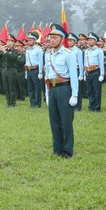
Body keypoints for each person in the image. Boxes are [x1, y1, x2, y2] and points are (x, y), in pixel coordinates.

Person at [43, 23, 78, 158]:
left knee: (66, 121)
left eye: (55, 37)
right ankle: (57, 148)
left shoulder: (68, 54)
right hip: (52, 89)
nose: (52, 40)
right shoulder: (48, 55)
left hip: (64, 89)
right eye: (50, 37)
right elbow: (47, 76)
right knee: (54, 120)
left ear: (61, 38)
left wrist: (74, 94)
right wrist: (47, 93)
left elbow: (74, 76)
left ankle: (67, 149)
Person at [84, 33, 105, 112]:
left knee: (96, 91)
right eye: (88, 40)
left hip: (96, 71)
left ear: (95, 41)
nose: (89, 41)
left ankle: (97, 107)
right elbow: (85, 63)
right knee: (89, 91)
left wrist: (102, 74)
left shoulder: (99, 51)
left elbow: (101, 63)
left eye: (91, 40)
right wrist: (84, 73)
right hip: (88, 71)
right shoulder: (86, 51)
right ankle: (91, 106)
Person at [25, 31, 44, 107]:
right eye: (28, 40)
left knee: (37, 88)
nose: (29, 41)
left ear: (34, 40)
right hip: (29, 70)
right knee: (30, 88)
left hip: (35, 70)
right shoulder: (27, 50)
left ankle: (38, 103)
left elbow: (40, 61)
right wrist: (26, 72)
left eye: (30, 40)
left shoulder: (38, 50)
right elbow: (26, 62)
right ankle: (32, 103)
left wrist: (40, 72)